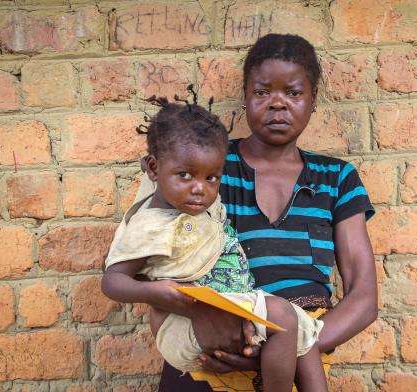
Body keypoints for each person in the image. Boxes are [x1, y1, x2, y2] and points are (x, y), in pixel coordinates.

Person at [118, 33, 377, 391]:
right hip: (210, 358)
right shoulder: (203, 166)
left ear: (313, 100)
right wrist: (222, 335)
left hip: (298, 364)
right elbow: (151, 264)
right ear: (245, 97)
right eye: (261, 92)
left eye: (294, 93)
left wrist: (293, 346)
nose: (277, 104)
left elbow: (364, 296)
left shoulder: (337, 179)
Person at [101, 92, 328, 392]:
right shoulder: (150, 226)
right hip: (185, 325)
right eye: (185, 175)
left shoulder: (194, 204)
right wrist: (154, 292)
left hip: (231, 303)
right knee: (285, 318)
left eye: (212, 178)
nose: (200, 189)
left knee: (305, 335)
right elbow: (112, 281)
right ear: (153, 169)